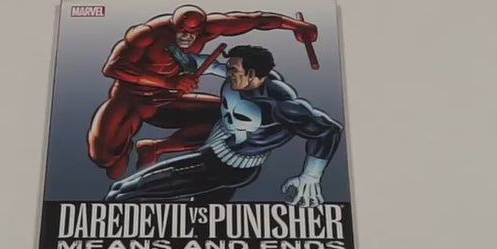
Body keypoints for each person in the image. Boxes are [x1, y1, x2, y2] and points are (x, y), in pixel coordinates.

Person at [87, 5, 318, 179]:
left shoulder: (211, 29)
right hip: (130, 99)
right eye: (182, 31)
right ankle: (124, 152)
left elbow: (255, 19)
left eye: (192, 33)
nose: (187, 37)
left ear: (201, 30)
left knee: (229, 119)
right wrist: (167, 82)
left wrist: (295, 26)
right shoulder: (146, 34)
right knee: (105, 159)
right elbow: (113, 68)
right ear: (173, 27)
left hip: (168, 102)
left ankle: (156, 148)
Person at [105, 45, 342, 204]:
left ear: (251, 73)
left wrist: (311, 176)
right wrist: (176, 56)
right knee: (198, 215)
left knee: (121, 194)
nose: (228, 73)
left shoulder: (282, 107)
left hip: (228, 169)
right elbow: (204, 64)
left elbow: (328, 130)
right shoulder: (241, 79)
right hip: (213, 152)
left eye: (233, 70)